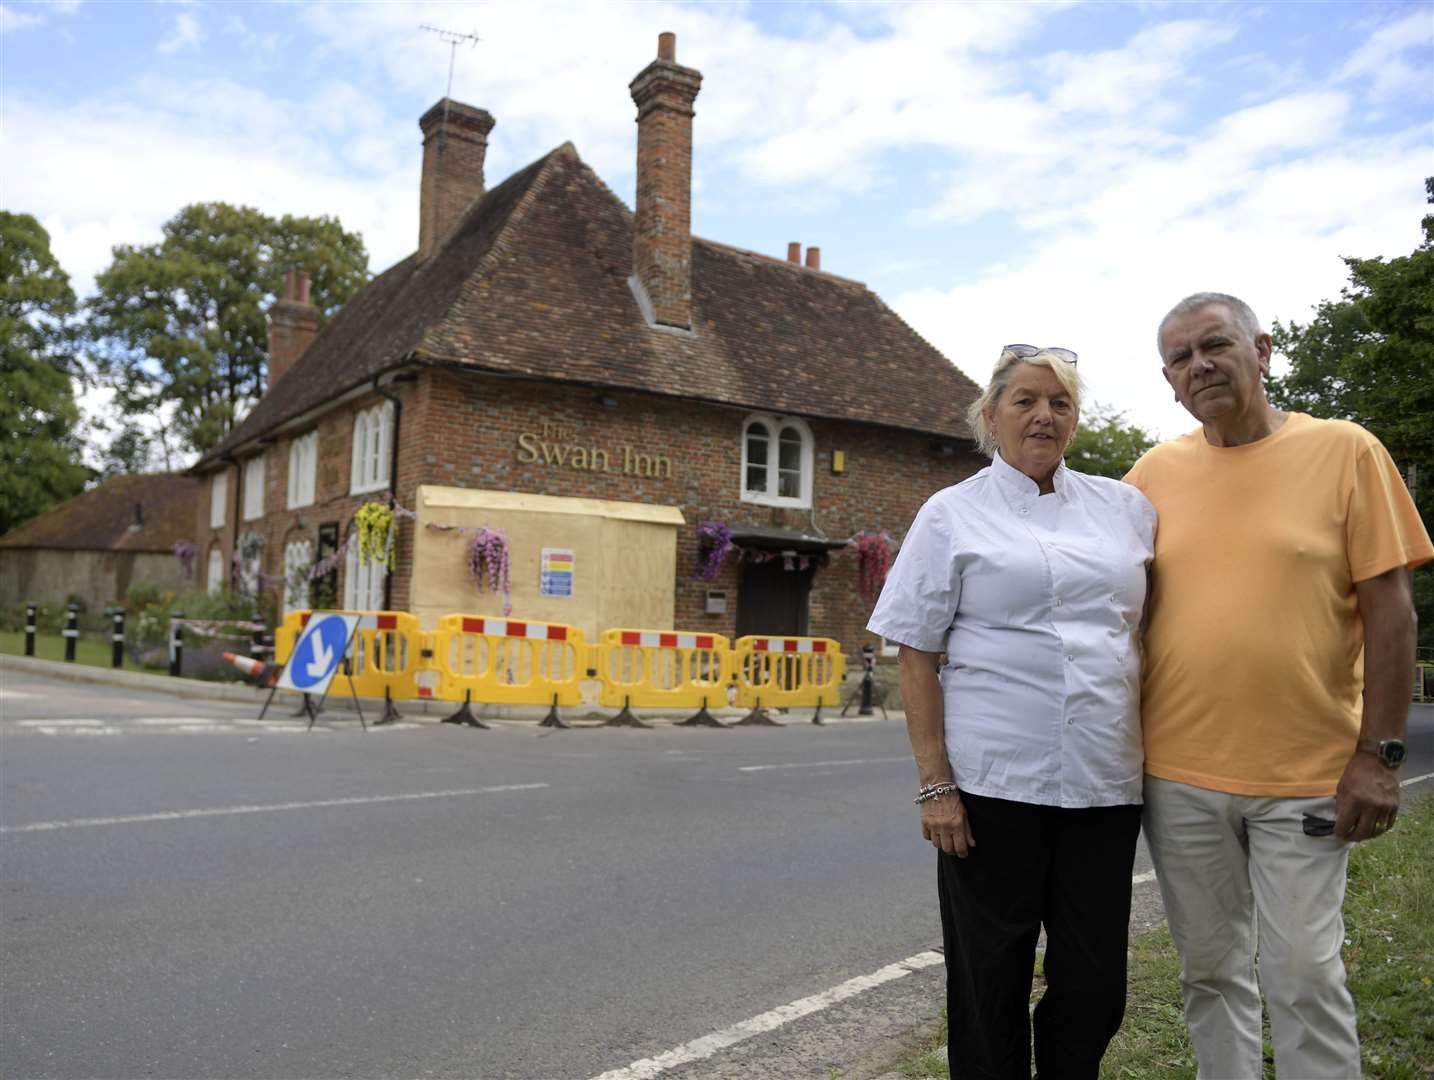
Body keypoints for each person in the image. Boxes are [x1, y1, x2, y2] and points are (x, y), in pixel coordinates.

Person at [1125, 292, 1432, 1079]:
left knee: (1303, 974)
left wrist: (1381, 756)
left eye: (1215, 345)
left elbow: (1393, 616)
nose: (1200, 365)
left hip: (1309, 779)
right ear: (1168, 381)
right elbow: (1103, 601)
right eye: (1181, 357)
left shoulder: (1346, 450)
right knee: (1211, 972)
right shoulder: (1151, 476)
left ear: (1262, 350)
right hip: (1179, 778)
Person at [867, 345, 1156, 1080]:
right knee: (988, 981)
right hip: (992, 789)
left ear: (1076, 420)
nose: (1043, 416)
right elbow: (915, 653)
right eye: (1025, 400)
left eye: (1059, 403)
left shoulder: (1124, 508)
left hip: (1104, 784)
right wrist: (936, 786)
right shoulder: (950, 514)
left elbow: (1152, 627)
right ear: (990, 416)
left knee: (1094, 988)